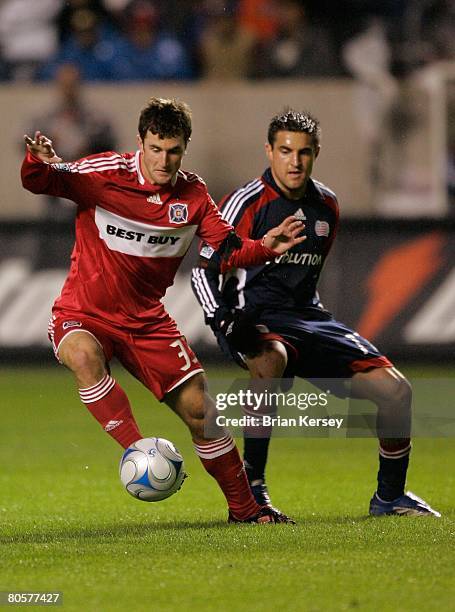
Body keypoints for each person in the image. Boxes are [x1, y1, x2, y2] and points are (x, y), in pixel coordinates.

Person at [21, 97, 305, 524]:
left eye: (173, 151)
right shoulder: (103, 174)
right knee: (82, 355)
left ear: (184, 148)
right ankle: (140, 452)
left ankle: (245, 510)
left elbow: (224, 249)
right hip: (85, 312)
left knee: (200, 412)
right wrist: (38, 161)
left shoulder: (193, 195)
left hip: (147, 320)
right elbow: (43, 179)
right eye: (155, 149)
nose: (163, 160)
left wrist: (264, 247)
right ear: (141, 143)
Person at [191, 108, 440, 518]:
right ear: (268, 151)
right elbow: (203, 269)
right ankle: (253, 489)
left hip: (308, 318)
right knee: (272, 358)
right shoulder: (244, 202)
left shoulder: (327, 205)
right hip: (250, 315)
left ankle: (390, 497)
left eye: (304, 152)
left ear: (316, 154)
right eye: (285, 150)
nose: (295, 161)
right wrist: (220, 317)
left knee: (397, 392)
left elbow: (306, 280)